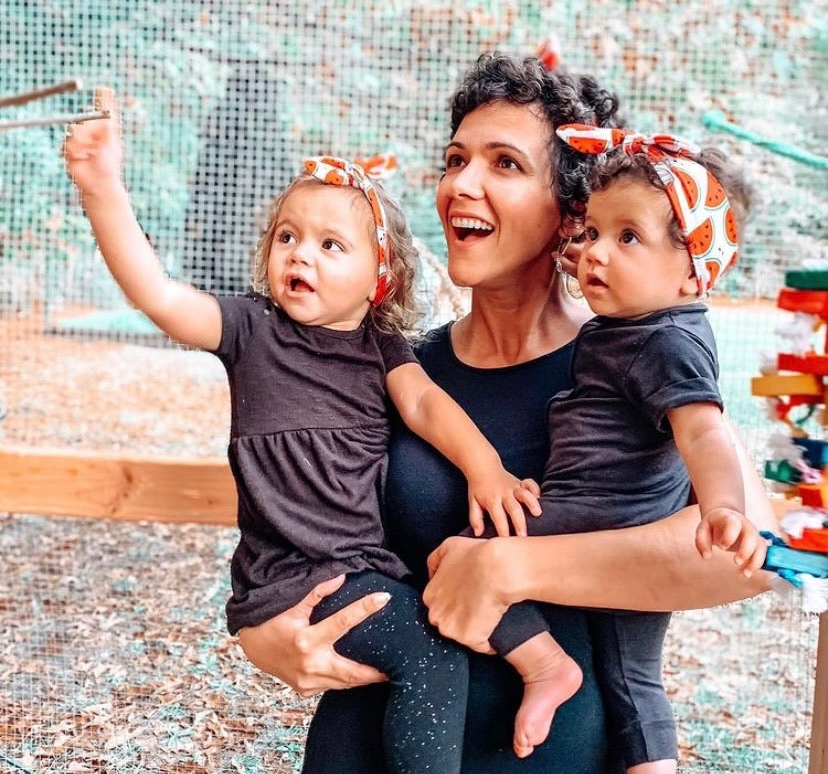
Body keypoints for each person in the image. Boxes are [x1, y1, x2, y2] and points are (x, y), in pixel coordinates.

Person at [215, 52, 778, 774]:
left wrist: (512, 566)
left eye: (505, 163)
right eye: (456, 160)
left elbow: (750, 554)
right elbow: (286, 510)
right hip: (363, 748)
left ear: (573, 212)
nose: (461, 184)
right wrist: (263, 633)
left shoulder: (635, 358)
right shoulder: (396, 367)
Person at [61, 89, 549, 774]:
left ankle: (545, 667)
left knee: (445, 612)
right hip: (297, 577)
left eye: (330, 244)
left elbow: (426, 406)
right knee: (433, 651)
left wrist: (485, 468)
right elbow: (159, 295)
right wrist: (102, 190)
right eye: (287, 237)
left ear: (379, 277)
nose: (300, 255)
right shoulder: (251, 330)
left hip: (361, 567)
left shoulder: (382, 348)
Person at [467, 122, 765, 772]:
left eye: (628, 237)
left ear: (693, 272)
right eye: (593, 232)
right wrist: (595, 254)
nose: (595, 253)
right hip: (624, 523)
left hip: (601, 510)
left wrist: (725, 508)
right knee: (635, 679)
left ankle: (545, 667)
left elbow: (704, 429)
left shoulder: (667, 340)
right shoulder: (640, 320)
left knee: (465, 550)